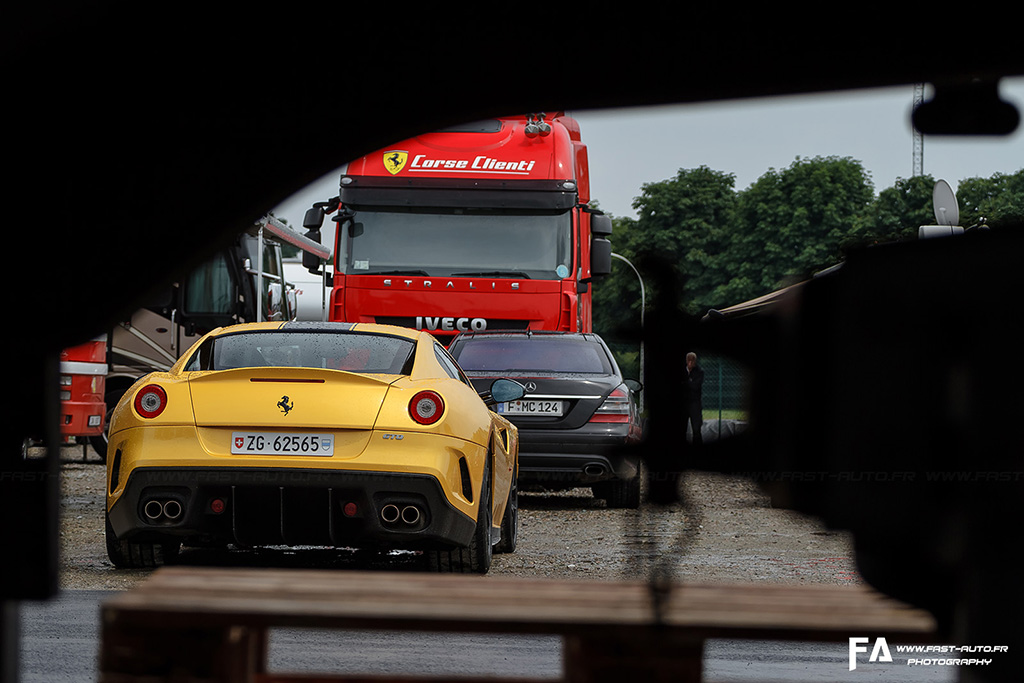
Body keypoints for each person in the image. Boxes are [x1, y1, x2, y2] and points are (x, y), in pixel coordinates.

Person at [685, 351, 704, 445]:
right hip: (684, 403)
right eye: (689, 360)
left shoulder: (699, 372)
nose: (690, 363)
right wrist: (690, 382)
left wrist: (687, 382)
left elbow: (695, 386)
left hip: (695, 403)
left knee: (696, 429)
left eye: (692, 361)